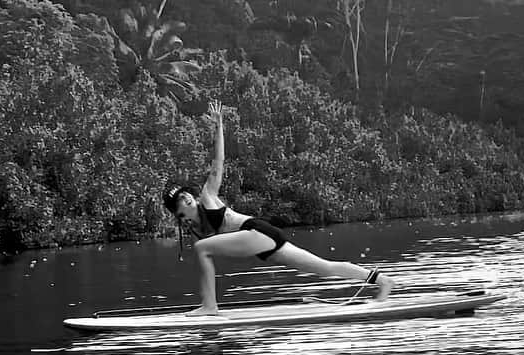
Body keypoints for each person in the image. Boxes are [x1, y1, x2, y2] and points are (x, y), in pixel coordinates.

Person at [162, 100, 393, 314]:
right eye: (180, 202)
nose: (186, 199)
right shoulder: (197, 230)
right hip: (264, 246)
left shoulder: (207, 196)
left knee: (202, 248)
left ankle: (210, 308)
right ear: (179, 214)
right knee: (324, 267)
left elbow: (218, 163)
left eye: (185, 195)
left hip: (258, 231)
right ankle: (381, 280)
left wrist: (219, 126)